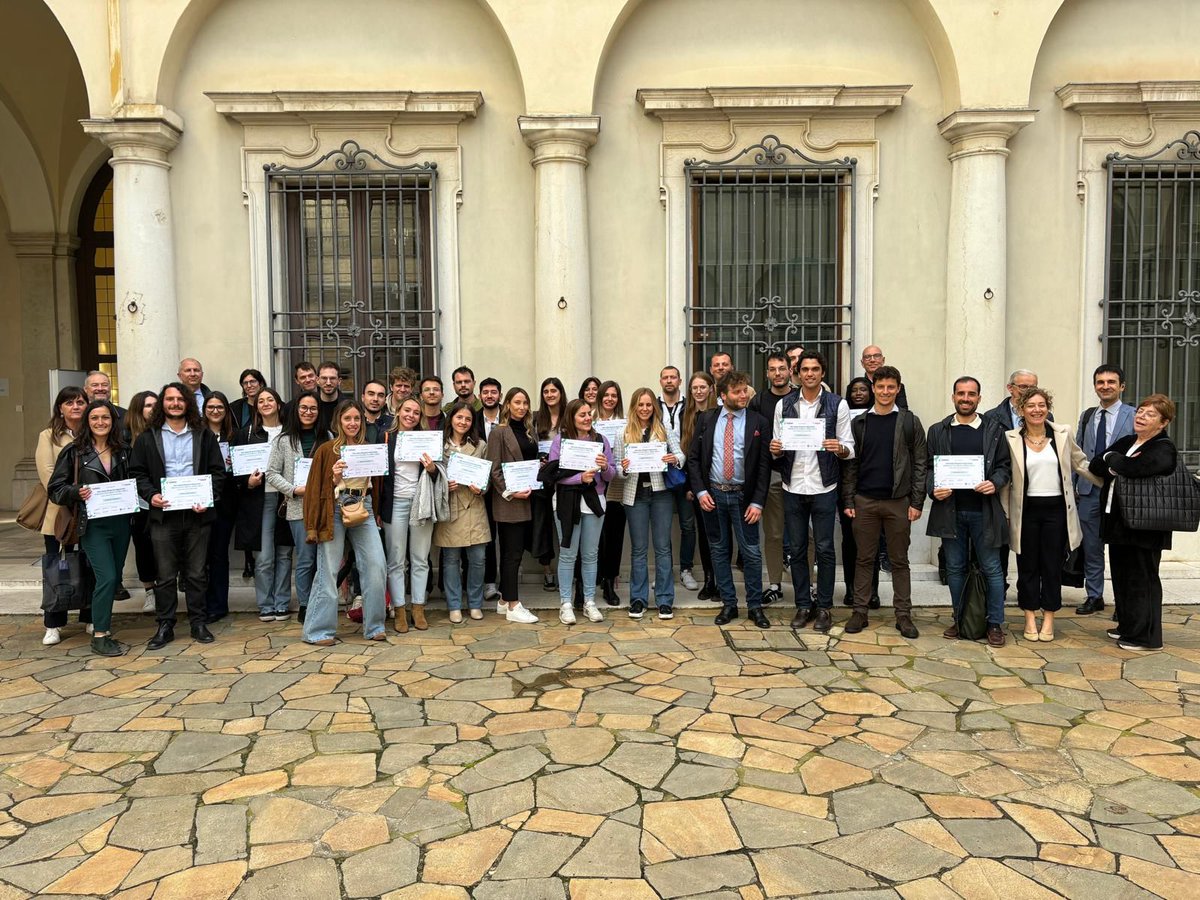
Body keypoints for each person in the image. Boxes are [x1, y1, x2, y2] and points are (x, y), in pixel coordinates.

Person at [130, 383, 226, 649]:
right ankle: (166, 624)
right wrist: (151, 496)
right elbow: (137, 473)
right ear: (163, 403)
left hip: (197, 514)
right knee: (165, 574)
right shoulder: (148, 438)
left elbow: (218, 473)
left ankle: (198, 621)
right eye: (170, 399)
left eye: (180, 399)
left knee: (196, 573)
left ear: (188, 403)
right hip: (164, 515)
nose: (175, 403)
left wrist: (207, 498)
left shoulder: (204, 435)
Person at [1001, 386, 1096, 642]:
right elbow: (1006, 479)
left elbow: (1081, 463)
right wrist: (1005, 513)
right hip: (1026, 511)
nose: (1037, 410)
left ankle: (1050, 617)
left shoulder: (1062, 434)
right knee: (1028, 566)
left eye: (1041, 405)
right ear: (1021, 410)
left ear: (1048, 408)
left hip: (1057, 510)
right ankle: (1030, 616)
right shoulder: (1011, 438)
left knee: (1052, 566)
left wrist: (1108, 481)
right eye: (1031, 405)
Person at [770, 350, 854, 633]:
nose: (809, 374)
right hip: (792, 485)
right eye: (804, 369)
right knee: (796, 549)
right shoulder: (784, 404)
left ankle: (826, 607)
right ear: (797, 373)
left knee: (825, 548)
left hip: (824, 485)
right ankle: (804, 604)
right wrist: (775, 449)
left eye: (815, 369)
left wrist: (839, 448)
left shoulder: (837, 404)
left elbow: (850, 446)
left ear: (822, 373)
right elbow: (777, 443)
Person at [925, 377, 1012, 647]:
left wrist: (995, 482)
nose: (965, 398)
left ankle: (995, 622)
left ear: (979, 398)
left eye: (971, 394)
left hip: (983, 512)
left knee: (992, 569)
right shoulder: (938, 430)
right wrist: (933, 488)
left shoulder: (994, 429)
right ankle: (961, 618)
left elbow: (1004, 466)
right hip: (950, 512)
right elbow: (928, 467)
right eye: (961, 394)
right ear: (953, 397)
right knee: (954, 569)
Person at [841, 365, 927, 638]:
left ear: (898, 389)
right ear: (873, 389)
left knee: (899, 561)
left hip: (897, 502)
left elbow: (920, 464)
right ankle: (860, 611)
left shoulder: (910, 422)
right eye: (880, 387)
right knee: (863, 559)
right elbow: (851, 465)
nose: (885, 392)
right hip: (865, 501)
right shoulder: (860, 423)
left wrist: (916, 501)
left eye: (891, 387)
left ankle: (903, 615)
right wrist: (849, 498)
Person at [1089, 394, 1178, 651]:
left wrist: (1114, 461)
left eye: (1150, 414)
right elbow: (1097, 463)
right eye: (1140, 411)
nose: (1141, 416)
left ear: (1163, 422)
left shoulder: (1163, 447)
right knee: (1122, 576)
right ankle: (1128, 626)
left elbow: (1134, 468)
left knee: (1142, 579)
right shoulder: (1129, 440)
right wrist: (1115, 462)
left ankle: (1146, 637)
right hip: (1119, 522)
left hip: (1146, 526)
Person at [47, 400, 133, 656]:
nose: (100, 422)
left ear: (112, 420)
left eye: (105, 417)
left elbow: (136, 480)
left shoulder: (124, 450)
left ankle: (102, 625)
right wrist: (76, 492)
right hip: (93, 525)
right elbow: (55, 489)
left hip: (121, 523)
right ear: (87, 421)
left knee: (114, 578)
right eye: (94, 417)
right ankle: (100, 634)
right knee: (106, 577)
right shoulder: (74, 452)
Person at [687, 370, 771, 628]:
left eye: (745, 390)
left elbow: (764, 465)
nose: (743, 395)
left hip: (744, 499)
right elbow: (693, 458)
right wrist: (701, 492)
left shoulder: (759, 422)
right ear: (723, 396)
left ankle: (755, 606)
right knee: (719, 550)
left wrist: (757, 502)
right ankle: (729, 604)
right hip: (713, 496)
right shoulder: (706, 419)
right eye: (737, 391)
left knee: (752, 553)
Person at [302, 400, 388, 645]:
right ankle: (318, 631)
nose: (352, 423)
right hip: (335, 509)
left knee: (376, 565)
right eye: (347, 418)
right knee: (328, 570)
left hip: (365, 507)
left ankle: (374, 626)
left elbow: (377, 485)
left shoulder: (369, 448)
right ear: (339, 421)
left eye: (357, 419)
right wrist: (334, 476)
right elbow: (316, 487)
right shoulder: (327, 450)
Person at [615, 388, 685, 619]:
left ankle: (665, 600)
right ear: (634, 407)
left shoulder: (664, 430)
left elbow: (681, 456)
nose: (645, 409)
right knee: (639, 549)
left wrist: (673, 459)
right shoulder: (623, 432)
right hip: (635, 495)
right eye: (640, 405)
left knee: (663, 548)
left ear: (653, 408)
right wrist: (623, 468)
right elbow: (616, 467)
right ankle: (638, 599)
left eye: (648, 405)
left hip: (661, 494)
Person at [545, 398, 614, 624]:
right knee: (568, 554)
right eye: (582, 415)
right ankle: (565, 603)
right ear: (572, 418)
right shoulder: (560, 441)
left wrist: (604, 467)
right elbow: (554, 474)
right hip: (567, 501)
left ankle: (589, 602)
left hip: (594, 500)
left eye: (588, 414)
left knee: (590, 554)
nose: (587, 418)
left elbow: (610, 475)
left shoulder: (600, 440)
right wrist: (578, 478)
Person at [1074, 364, 1134, 616]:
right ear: (1095, 386)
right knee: (1092, 547)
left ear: (1121, 386)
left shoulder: (1135, 415)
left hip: (1121, 492)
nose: (1105, 386)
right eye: (1100, 382)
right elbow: (1077, 452)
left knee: (1123, 549)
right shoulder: (1088, 416)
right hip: (1089, 491)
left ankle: (1126, 602)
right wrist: (1075, 486)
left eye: (1111, 382)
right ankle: (1094, 595)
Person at [36, 386, 92, 646]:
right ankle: (54, 622)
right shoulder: (48, 436)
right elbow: (49, 476)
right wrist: (74, 494)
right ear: (60, 407)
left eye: (80, 402)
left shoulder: (94, 432)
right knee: (58, 567)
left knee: (89, 564)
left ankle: (90, 616)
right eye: (69, 403)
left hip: (92, 510)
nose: (76, 407)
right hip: (61, 513)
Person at [381, 397, 441, 632]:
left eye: (416, 412)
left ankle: (418, 607)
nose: (411, 415)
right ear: (398, 411)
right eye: (407, 410)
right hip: (394, 503)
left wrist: (432, 468)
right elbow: (378, 475)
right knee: (396, 560)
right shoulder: (386, 437)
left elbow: (439, 474)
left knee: (420, 558)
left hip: (420, 503)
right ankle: (399, 610)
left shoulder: (427, 439)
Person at [232, 387, 292, 622]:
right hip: (260, 500)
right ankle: (265, 604)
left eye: (270, 399)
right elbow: (234, 472)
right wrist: (247, 482)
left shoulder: (290, 433)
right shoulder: (246, 434)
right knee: (264, 555)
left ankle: (282, 602)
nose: (266, 403)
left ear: (278, 404)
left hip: (287, 498)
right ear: (256, 407)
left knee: (285, 553)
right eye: (261, 401)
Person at [267, 390, 324, 625]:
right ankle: (305, 604)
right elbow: (271, 473)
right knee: (305, 559)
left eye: (313, 408)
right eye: (304, 408)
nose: (308, 412)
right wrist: (292, 490)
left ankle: (322, 603)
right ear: (296, 410)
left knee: (325, 559)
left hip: (325, 507)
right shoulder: (283, 440)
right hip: (298, 507)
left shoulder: (327, 436)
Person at [486, 387, 540, 624]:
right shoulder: (499, 432)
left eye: (525, 403)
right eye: (517, 402)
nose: (522, 407)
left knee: (514, 552)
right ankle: (513, 605)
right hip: (509, 501)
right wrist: (511, 493)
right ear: (507, 404)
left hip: (528, 498)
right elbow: (494, 469)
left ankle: (502, 602)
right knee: (512, 554)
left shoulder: (529, 431)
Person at [436, 402, 491, 622]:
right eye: (459, 417)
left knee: (478, 558)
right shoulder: (439, 446)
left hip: (474, 507)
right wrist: (442, 485)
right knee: (451, 559)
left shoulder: (480, 445)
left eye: (468, 419)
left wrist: (481, 487)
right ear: (451, 419)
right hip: (450, 507)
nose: (463, 422)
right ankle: (454, 605)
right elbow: (430, 476)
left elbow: (487, 477)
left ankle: (475, 603)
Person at [751, 351, 795, 605]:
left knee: (806, 534)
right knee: (774, 534)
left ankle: (808, 584)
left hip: (802, 473)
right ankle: (775, 584)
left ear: (790, 370)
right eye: (772, 369)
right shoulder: (760, 401)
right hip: (772, 473)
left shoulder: (801, 397)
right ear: (767, 374)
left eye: (782, 368)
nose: (777, 373)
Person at [838, 377, 877, 608]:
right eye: (854, 390)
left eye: (863, 389)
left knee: (869, 542)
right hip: (845, 484)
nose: (859, 393)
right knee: (849, 539)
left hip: (870, 484)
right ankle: (851, 588)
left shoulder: (877, 415)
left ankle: (871, 590)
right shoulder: (842, 415)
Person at [658, 365, 698, 592]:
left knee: (687, 524)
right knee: (662, 525)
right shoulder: (652, 404)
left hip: (686, 473)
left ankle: (686, 569)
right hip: (659, 473)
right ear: (660, 381)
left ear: (680, 381)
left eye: (673, 377)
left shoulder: (690, 405)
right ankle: (664, 572)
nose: (669, 381)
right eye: (666, 377)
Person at [681, 371, 717, 600]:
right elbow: (687, 453)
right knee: (704, 535)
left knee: (720, 536)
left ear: (711, 388)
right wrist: (691, 486)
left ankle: (721, 581)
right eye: (695, 388)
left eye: (703, 387)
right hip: (697, 485)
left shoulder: (720, 413)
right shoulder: (688, 415)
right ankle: (709, 579)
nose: (699, 391)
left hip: (719, 482)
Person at [201, 392, 236, 623]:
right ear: (204, 410)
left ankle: (218, 604)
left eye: (220, 407)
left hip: (227, 501)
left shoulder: (235, 437)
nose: (215, 411)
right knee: (199, 556)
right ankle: (200, 603)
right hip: (201, 500)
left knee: (219, 554)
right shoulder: (197, 436)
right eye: (211, 407)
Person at [124, 390, 159, 611]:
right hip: (137, 503)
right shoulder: (124, 438)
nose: (153, 409)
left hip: (161, 500)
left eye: (156, 405)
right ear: (138, 410)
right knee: (143, 548)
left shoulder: (163, 433)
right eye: (148, 405)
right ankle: (150, 592)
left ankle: (164, 589)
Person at [533, 377, 566, 591]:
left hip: (564, 477)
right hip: (543, 479)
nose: (550, 394)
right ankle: (547, 571)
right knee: (543, 527)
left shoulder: (569, 416)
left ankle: (567, 570)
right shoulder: (536, 419)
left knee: (565, 527)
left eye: (554, 390)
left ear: (561, 393)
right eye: (546, 391)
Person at [595, 380, 626, 607]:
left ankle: (609, 581)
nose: (609, 399)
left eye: (614, 396)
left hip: (616, 485)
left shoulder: (625, 425)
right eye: (606, 395)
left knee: (614, 535)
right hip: (594, 484)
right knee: (596, 536)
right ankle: (593, 578)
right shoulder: (591, 421)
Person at [314, 361, 346, 435]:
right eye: (324, 378)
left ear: (339, 381)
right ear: (317, 380)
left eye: (332, 378)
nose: (328, 383)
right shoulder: (311, 405)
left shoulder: (348, 405)